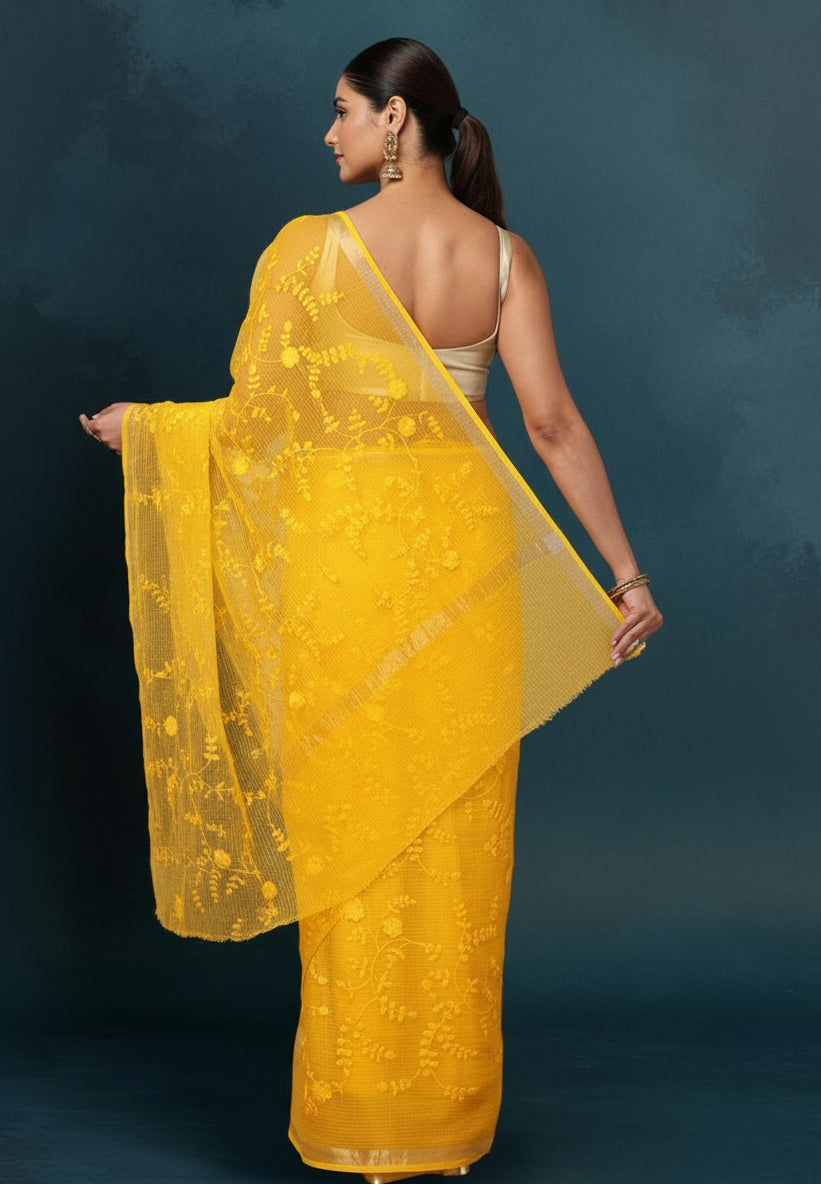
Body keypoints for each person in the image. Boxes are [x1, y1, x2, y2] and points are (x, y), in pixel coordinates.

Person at [80, 36, 661, 1184]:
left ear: (397, 121)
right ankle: (444, 1129)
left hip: (349, 591)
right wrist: (628, 575)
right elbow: (552, 425)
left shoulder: (311, 250)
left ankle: (364, 1127)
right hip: (469, 590)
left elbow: (257, 425)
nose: (330, 132)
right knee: (455, 855)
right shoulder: (505, 259)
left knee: (353, 851)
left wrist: (147, 429)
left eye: (344, 111)